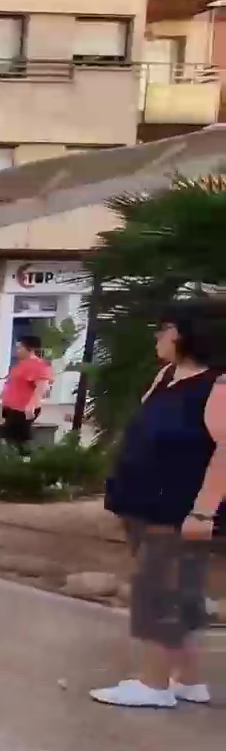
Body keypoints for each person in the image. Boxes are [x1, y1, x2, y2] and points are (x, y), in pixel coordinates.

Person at [91, 302, 224, 709]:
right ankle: (187, 679)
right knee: (175, 590)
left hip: (178, 505)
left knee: (160, 590)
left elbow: (224, 453)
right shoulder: (167, 376)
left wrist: (203, 510)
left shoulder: (217, 385)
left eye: (164, 328)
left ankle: (153, 685)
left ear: (186, 334)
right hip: (142, 498)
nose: (158, 336)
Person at [0, 334, 53, 450]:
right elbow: (11, 384)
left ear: (30, 350)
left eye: (20, 348)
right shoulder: (20, 365)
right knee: (9, 438)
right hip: (12, 408)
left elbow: (42, 386)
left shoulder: (39, 365)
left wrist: (31, 405)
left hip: (23, 409)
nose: (17, 351)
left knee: (20, 440)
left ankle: (26, 459)